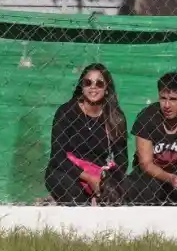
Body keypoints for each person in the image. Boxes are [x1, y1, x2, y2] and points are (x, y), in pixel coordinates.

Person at [44, 63, 127, 205]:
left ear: (107, 88)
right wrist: (89, 178)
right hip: (67, 170)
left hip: (99, 173)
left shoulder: (115, 117)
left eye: (99, 83)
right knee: (77, 198)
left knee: (124, 192)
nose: (93, 87)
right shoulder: (67, 112)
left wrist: (106, 179)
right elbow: (58, 157)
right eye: (88, 83)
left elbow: (122, 159)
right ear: (82, 87)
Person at [127, 73, 177, 206]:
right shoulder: (148, 117)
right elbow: (146, 164)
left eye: (173, 99)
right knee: (146, 187)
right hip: (149, 175)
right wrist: (170, 178)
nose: (166, 105)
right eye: (163, 98)